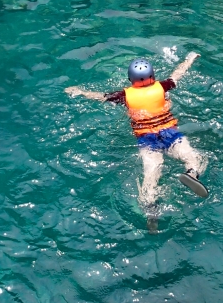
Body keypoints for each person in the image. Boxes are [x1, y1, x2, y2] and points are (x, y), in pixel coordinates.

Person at [66, 53, 207, 231]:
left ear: (131, 80)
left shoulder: (124, 95)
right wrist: (189, 59)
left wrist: (80, 92)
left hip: (147, 139)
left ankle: (151, 209)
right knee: (192, 157)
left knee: (151, 175)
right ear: (153, 76)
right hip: (169, 133)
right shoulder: (162, 87)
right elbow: (177, 74)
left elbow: (101, 96)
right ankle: (192, 174)